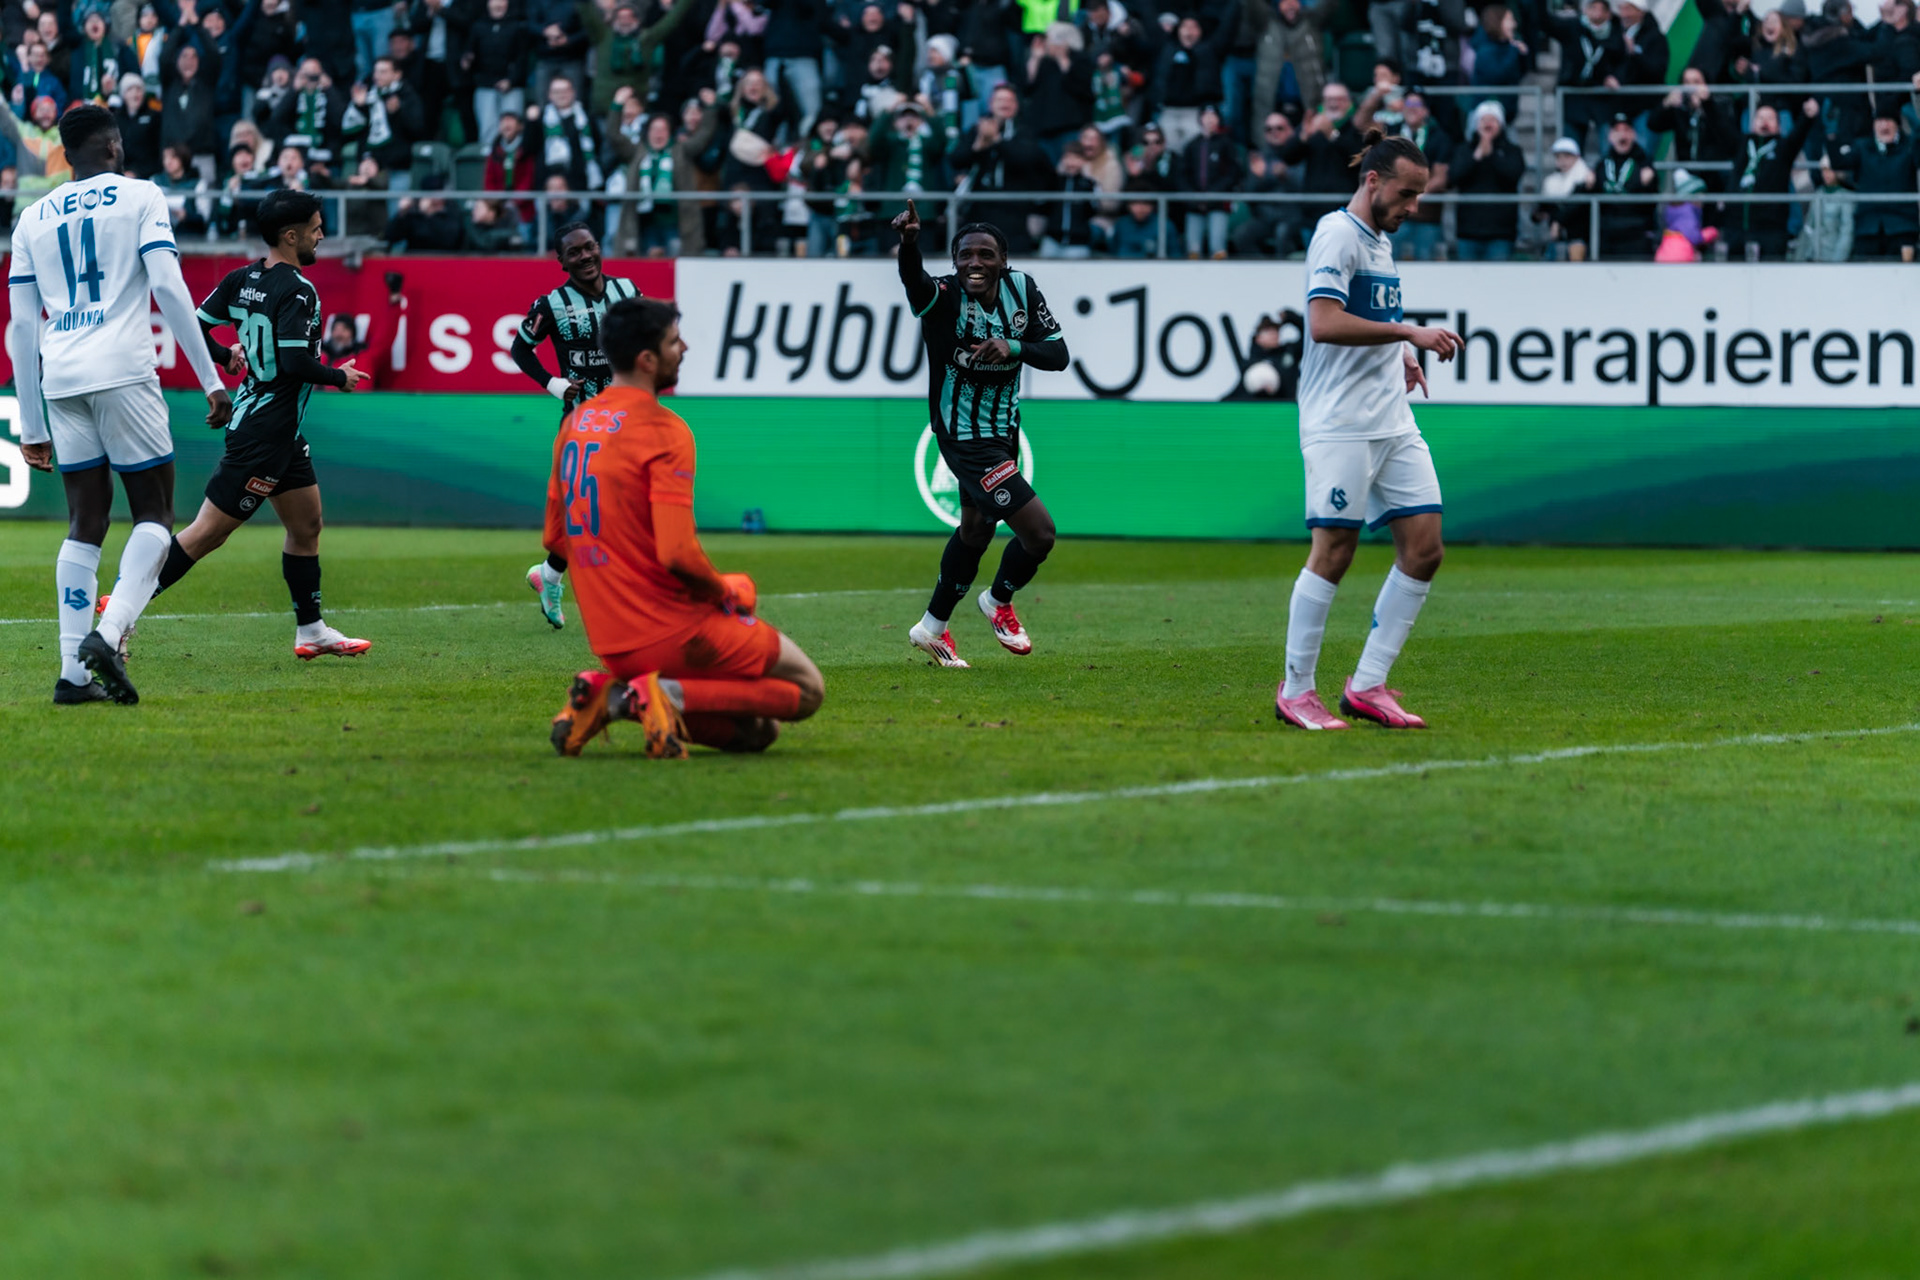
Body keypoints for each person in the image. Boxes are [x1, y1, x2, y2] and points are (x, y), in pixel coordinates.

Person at [5, 102, 233, 705]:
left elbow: (21, 328)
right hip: (123, 370)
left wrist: (31, 422)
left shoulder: (31, 217)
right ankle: (108, 634)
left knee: (85, 522)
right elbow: (166, 286)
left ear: (65, 153)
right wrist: (211, 378)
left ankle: (72, 676)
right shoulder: (141, 197)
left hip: (61, 377)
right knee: (155, 513)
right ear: (112, 147)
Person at [546, 297, 827, 759]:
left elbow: (557, 539)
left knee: (759, 733)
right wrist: (724, 591)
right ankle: (662, 695)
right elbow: (677, 553)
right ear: (647, 359)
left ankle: (614, 695)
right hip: (674, 631)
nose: (685, 348)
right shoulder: (664, 429)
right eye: (675, 342)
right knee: (807, 688)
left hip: (610, 642)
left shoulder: (574, 425)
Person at [1274, 131, 1463, 732]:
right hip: (1341, 423)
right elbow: (1325, 323)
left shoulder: (1380, 242)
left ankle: (1367, 684)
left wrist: (1397, 357)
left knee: (1425, 548)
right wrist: (1409, 334)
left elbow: (1367, 317)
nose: (1414, 208)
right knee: (1335, 553)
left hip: (1391, 419)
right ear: (1373, 181)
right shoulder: (1337, 233)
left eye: (1421, 197)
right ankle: (1297, 690)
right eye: (1408, 194)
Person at [140, 189, 372, 676]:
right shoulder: (299, 289)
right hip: (264, 433)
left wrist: (225, 356)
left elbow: (193, 324)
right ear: (291, 236)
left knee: (306, 526)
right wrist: (338, 377)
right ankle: (122, 609)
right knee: (206, 534)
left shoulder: (241, 279)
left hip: (279, 432)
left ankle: (311, 631)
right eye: (315, 227)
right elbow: (294, 361)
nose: (321, 235)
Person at [890, 199, 1069, 668]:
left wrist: (1013, 345)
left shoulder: (1023, 290)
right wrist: (909, 244)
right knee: (1041, 534)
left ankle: (931, 628)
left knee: (975, 530)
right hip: (963, 436)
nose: (975, 263)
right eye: (966, 254)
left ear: (1003, 261)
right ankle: (997, 600)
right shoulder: (944, 296)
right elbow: (915, 281)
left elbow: (1058, 354)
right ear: (954, 262)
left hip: (1004, 429)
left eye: (985, 254)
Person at [509, 223, 646, 628]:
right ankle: (617, 596)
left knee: (609, 510)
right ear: (561, 262)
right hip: (583, 425)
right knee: (597, 511)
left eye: (589, 248)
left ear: (599, 249)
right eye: (574, 252)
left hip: (627, 419)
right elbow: (520, 348)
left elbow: (648, 340)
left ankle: (549, 575)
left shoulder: (628, 293)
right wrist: (554, 384)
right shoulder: (551, 305)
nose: (584, 257)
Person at [1727, 98, 1820, 260]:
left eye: (1770, 118)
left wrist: (1807, 116)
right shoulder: (1742, 144)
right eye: (1760, 117)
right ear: (1753, 122)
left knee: (1773, 271)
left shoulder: (1783, 148)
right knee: (1734, 272)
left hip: (1772, 224)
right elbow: (1721, 129)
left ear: (1778, 125)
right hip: (1738, 221)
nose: (1765, 122)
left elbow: (1798, 135)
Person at [1449, 100, 1524, 259]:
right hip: (1468, 231)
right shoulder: (1464, 150)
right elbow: (1453, 177)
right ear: (1476, 124)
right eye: (1484, 119)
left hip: (1501, 232)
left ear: (1501, 124)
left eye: (1493, 120)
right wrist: (1476, 156)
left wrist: (1491, 154)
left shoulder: (1512, 151)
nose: (1488, 124)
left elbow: (1513, 175)